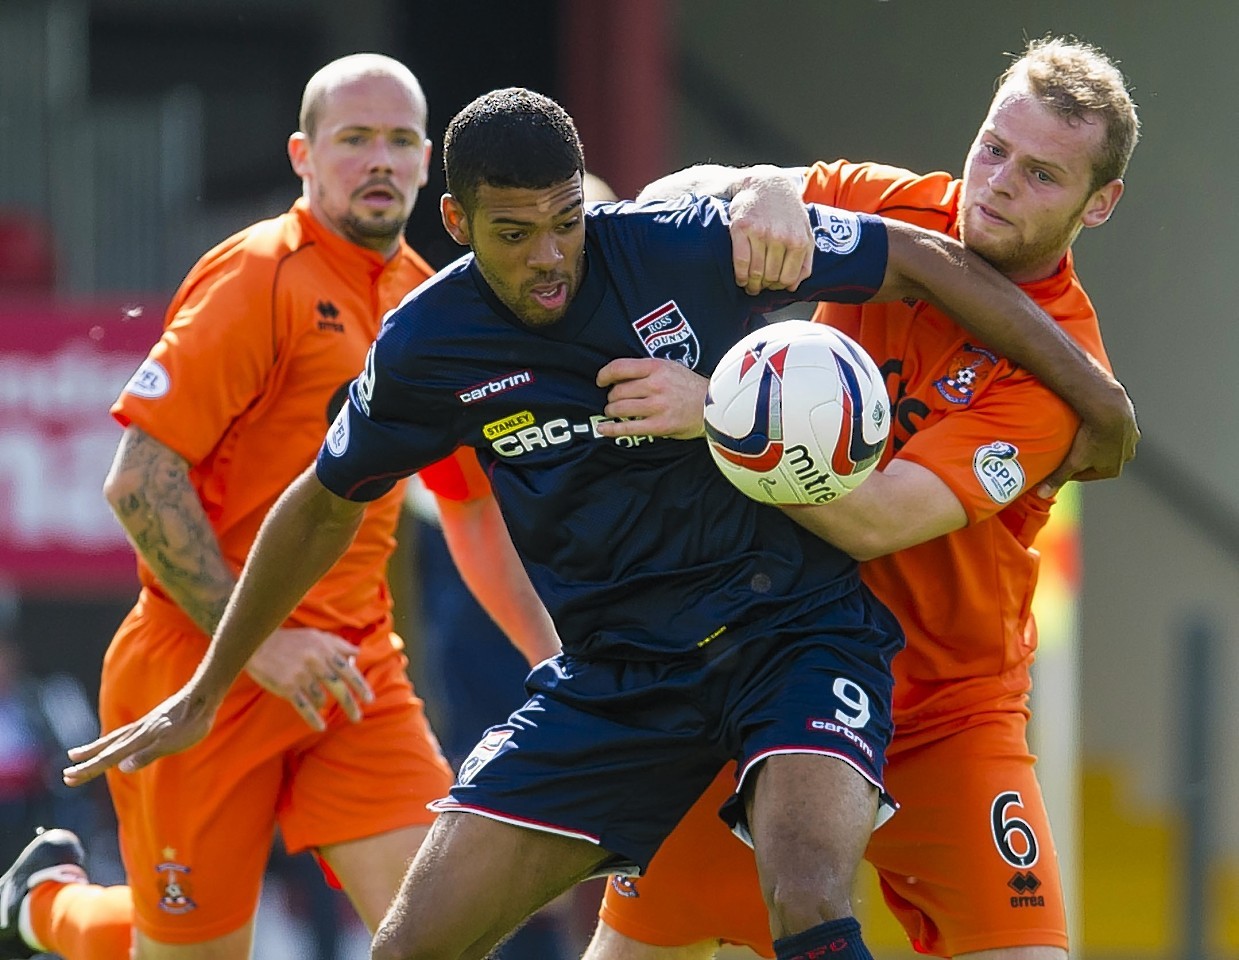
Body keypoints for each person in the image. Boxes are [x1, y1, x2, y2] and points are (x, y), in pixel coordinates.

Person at [58, 86, 1136, 960]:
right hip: (623, 677)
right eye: (515, 232)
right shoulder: (425, 345)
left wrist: (1101, 399)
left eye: (568, 222)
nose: (551, 258)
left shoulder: (671, 252)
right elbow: (321, 504)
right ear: (458, 224)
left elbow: (900, 374)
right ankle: (52, 909)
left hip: (811, 647)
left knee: (810, 897)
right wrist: (211, 684)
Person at [584, 36, 1139, 960]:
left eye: (1042, 173)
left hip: (945, 713)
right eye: (992, 147)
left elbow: (875, 519)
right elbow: (702, 195)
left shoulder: (1055, 378)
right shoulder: (892, 204)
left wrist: (714, 415)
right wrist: (758, 184)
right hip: (769, 675)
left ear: (1100, 202)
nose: (996, 183)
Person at [0, 55, 556, 960]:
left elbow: (466, 507)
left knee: (447, 938)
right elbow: (138, 484)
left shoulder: (434, 307)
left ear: (428, 166)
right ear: (304, 155)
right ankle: (48, 906)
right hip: (199, 671)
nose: (379, 160)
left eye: (400, 141)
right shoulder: (258, 277)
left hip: (352, 676)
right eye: (354, 140)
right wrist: (259, 643)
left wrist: (550, 661)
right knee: (183, 951)